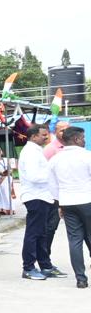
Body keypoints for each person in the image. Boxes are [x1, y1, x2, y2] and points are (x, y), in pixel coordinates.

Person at [18, 124, 64, 280]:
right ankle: (28, 268)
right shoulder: (30, 152)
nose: (46, 137)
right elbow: (34, 177)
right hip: (34, 196)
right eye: (43, 135)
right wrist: (52, 175)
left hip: (43, 196)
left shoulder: (36, 151)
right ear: (33, 137)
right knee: (33, 233)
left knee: (42, 234)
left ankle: (45, 265)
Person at [49, 126, 91, 289]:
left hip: (67, 203)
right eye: (83, 138)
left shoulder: (55, 160)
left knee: (74, 240)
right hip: (87, 200)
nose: (84, 140)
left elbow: (52, 185)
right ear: (76, 139)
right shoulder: (87, 156)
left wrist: (60, 202)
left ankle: (81, 279)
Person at [0, 147, 14, 215]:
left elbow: (10, 168)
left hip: (6, 179)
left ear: (2, 151)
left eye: (0, 150)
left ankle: (7, 209)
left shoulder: (5, 160)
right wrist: (3, 173)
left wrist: (8, 172)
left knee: (6, 193)